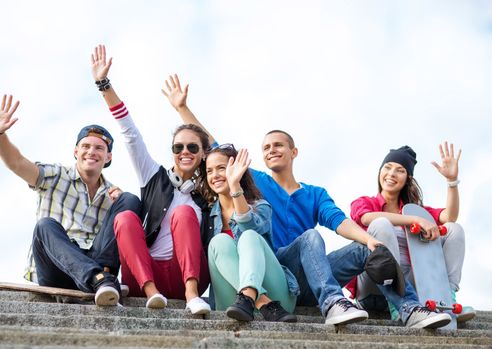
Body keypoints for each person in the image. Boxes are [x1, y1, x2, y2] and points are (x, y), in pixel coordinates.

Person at [161, 74, 453, 328]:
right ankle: (334, 303)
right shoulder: (260, 183)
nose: (271, 150)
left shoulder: (315, 193)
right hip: (274, 269)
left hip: (310, 273)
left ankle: (410, 308)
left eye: (278, 145)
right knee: (309, 237)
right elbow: (217, 151)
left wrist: (370, 242)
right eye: (265, 148)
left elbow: (339, 221)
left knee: (369, 249)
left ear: (294, 152)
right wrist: (182, 108)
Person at [91, 45, 211, 315]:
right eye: (178, 147)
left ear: (203, 154)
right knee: (124, 218)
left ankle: (191, 295)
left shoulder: (209, 192)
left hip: (186, 276)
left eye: (193, 148)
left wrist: (183, 109)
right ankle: (151, 293)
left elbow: (221, 151)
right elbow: (130, 133)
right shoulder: (154, 176)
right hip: (146, 274)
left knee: (182, 213)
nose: (185, 153)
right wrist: (104, 84)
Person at [0, 94, 141, 306]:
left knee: (130, 201)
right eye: (86, 146)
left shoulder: (112, 194)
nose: (92, 152)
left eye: (99, 148)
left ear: (108, 157)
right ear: (76, 151)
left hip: (95, 260)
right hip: (56, 268)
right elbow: (16, 162)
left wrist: (119, 205)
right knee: (45, 226)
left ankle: (102, 277)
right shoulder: (55, 176)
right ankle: (99, 279)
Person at [350, 144, 475, 322]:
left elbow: (450, 216)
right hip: (374, 288)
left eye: (399, 170)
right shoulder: (364, 202)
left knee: (454, 229)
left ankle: (446, 297)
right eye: (387, 167)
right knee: (382, 224)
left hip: (412, 288)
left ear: (407, 178)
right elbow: (366, 218)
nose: (392, 173)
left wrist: (452, 182)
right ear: (380, 173)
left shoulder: (415, 211)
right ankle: (399, 305)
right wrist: (414, 221)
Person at [201, 144, 298, 322]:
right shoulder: (206, 216)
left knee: (249, 236)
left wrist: (234, 185)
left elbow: (249, 229)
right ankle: (260, 301)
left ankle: (251, 296)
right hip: (233, 302)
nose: (214, 175)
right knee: (219, 241)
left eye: (221, 168)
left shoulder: (261, 206)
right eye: (209, 171)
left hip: (278, 297)